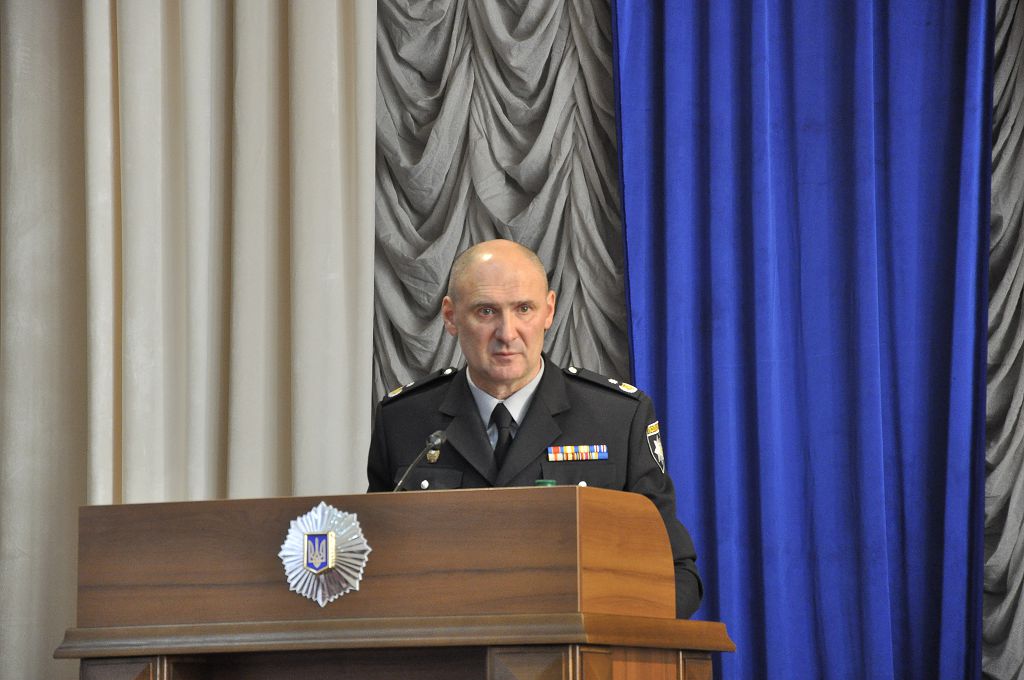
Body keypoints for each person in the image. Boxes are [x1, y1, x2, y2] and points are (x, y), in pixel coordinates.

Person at [367, 239, 703, 618]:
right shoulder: (404, 420)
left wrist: (610, 632)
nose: (507, 333)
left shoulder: (617, 418)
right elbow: (374, 565)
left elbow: (675, 573)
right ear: (450, 316)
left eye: (523, 309)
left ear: (549, 311)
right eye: (486, 311)